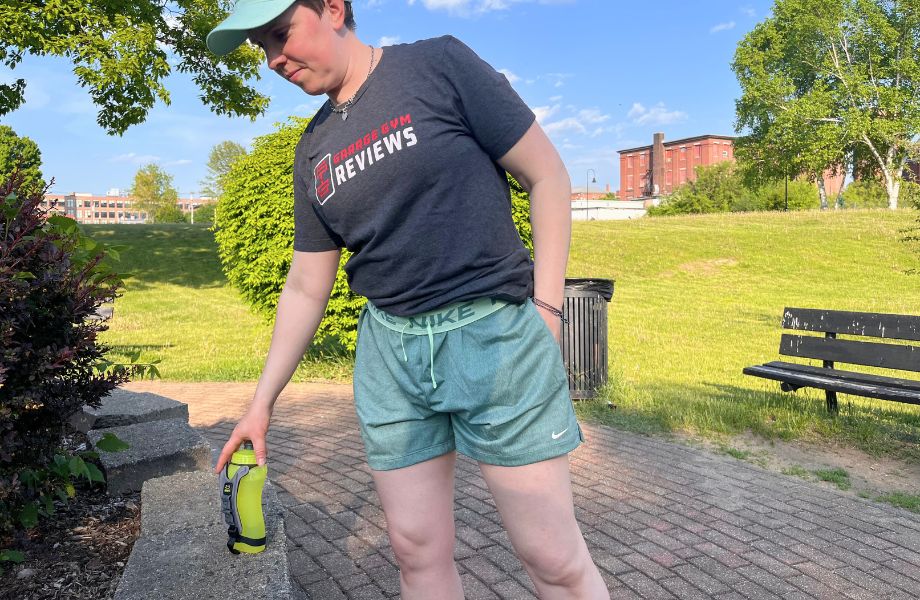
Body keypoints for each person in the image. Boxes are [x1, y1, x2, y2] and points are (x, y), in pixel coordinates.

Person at [206, 1, 609, 598]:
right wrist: (260, 404)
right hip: (390, 357)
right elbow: (305, 283)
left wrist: (547, 311)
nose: (273, 60)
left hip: (494, 338)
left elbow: (547, 175)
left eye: (280, 35)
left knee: (551, 556)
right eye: (261, 48)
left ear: (334, 9)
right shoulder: (312, 148)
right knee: (415, 552)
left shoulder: (438, 64)